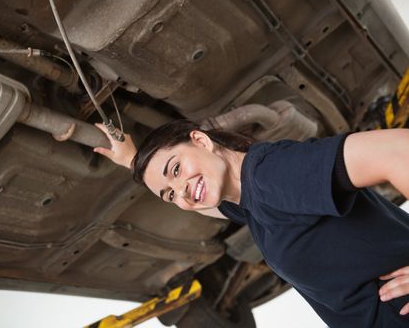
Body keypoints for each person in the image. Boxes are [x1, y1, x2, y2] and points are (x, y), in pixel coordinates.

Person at [94, 120, 409, 328]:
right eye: (169, 195)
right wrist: (134, 161)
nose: (182, 192)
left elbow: (397, 150)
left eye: (176, 170)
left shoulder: (270, 174)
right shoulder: (249, 199)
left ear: (200, 140)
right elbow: (208, 204)